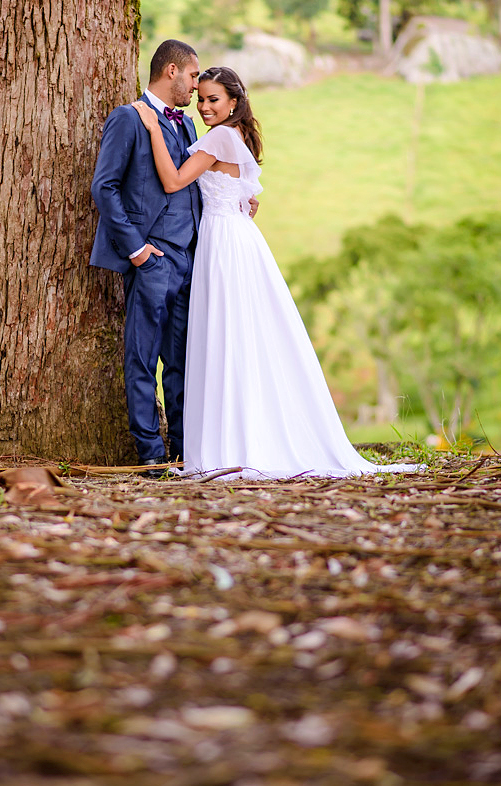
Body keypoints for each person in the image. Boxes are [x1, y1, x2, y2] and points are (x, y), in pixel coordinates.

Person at [130, 66, 422, 479]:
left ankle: (233, 442)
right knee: (241, 335)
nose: (204, 106)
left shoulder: (218, 137)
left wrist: (152, 128)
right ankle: (244, 435)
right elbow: (245, 191)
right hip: (236, 235)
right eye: (202, 98)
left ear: (233, 101)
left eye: (214, 99)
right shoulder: (239, 135)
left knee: (227, 335)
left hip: (225, 243)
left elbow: (176, 180)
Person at [90, 40, 208, 476]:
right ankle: (151, 456)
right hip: (152, 260)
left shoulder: (190, 126)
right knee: (140, 357)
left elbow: (192, 186)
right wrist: (138, 251)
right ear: (172, 70)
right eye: (194, 76)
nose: (197, 85)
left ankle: (181, 451)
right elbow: (105, 188)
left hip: (189, 261)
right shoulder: (128, 118)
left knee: (179, 361)